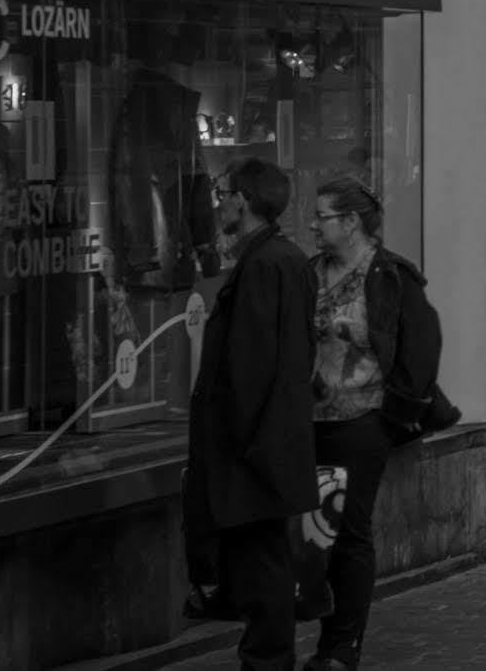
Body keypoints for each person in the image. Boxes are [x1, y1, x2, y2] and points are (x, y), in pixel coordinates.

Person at [301, 177, 445, 670]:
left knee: (348, 530)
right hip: (309, 421)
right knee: (312, 528)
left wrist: (393, 418)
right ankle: (320, 629)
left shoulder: (389, 276)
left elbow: (421, 349)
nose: (314, 225)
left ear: (351, 222)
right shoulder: (309, 272)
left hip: (363, 421)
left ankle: (341, 646)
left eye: (322, 216)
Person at [186, 159, 316, 671]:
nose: (219, 204)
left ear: (244, 199)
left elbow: (255, 365)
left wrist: (239, 445)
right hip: (264, 444)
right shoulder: (279, 259)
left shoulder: (268, 264)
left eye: (224, 194)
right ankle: (267, 657)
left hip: (255, 449)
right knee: (261, 562)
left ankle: (267, 661)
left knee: (263, 566)